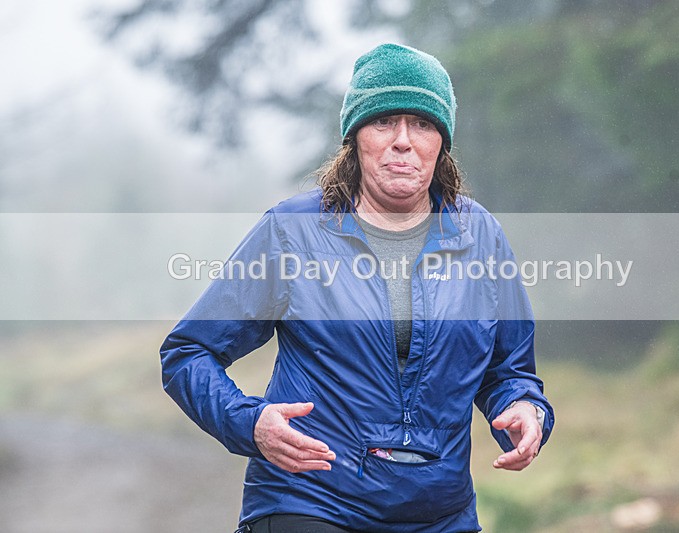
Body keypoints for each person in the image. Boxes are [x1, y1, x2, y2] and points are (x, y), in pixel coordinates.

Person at [161, 43, 554, 533]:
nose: (403, 141)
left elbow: (508, 370)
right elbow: (188, 353)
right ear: (355, 137)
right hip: (310, 497)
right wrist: (250, 422)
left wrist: (523, 408)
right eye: (384, 121)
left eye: (424, 124)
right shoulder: (293, 231)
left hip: (440, 513)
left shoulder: (482, 237)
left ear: (442, 143)